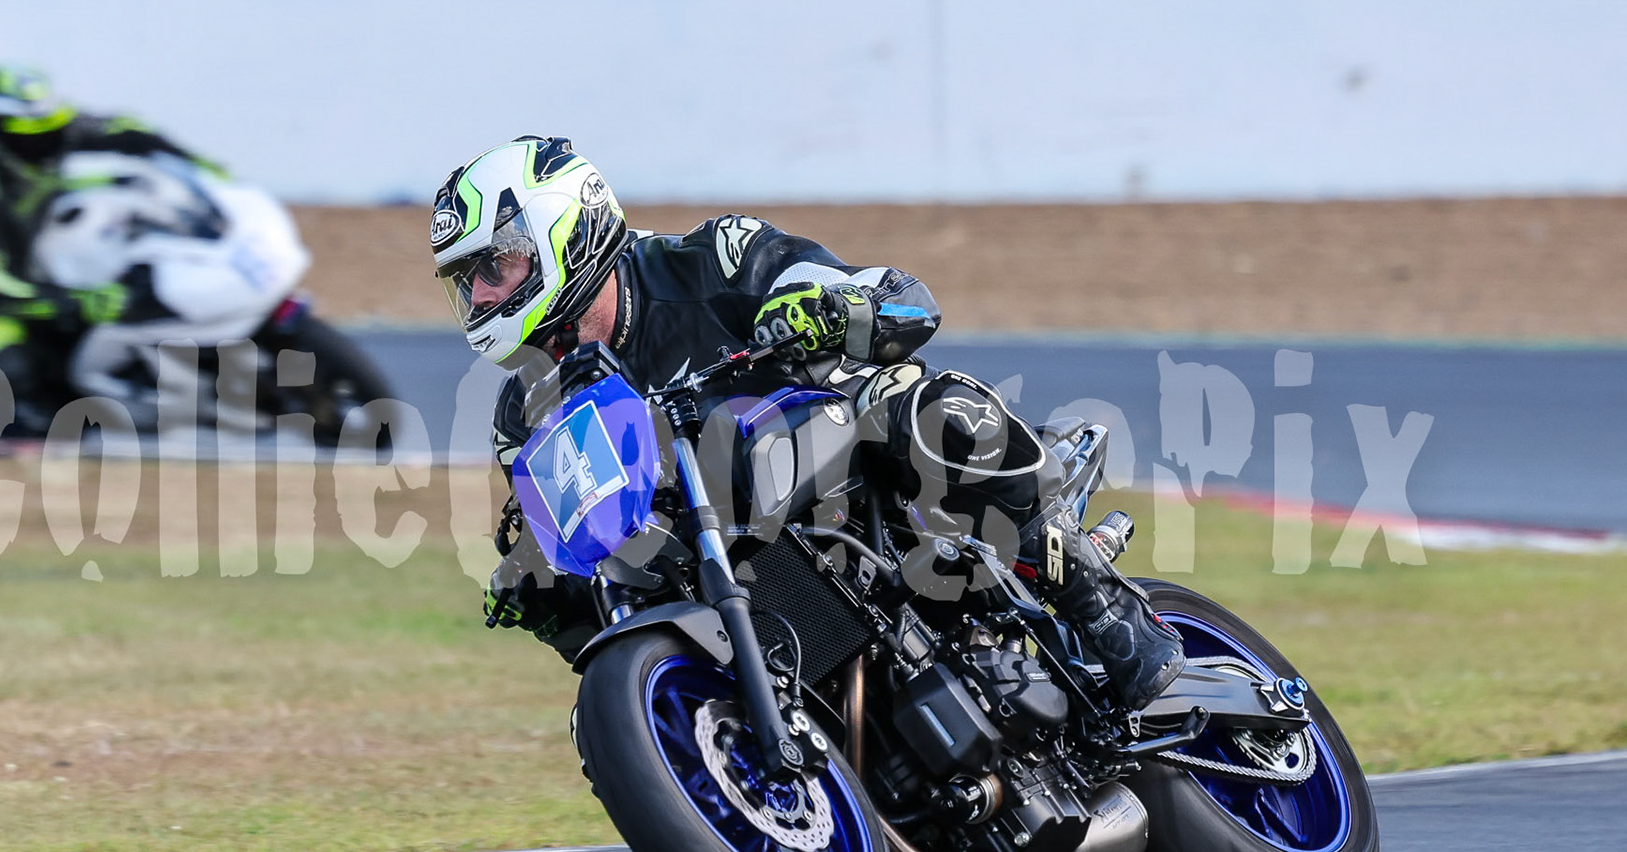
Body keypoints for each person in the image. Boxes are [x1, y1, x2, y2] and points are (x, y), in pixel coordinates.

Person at [434, 135, 1183, 711]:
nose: (481, 296)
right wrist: (539, 587)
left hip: (843, 475)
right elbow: (595, 574)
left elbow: (903, 300)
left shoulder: (709, 260)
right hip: (732, 575)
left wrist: (826, 305)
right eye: (465, 282)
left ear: (566, 232)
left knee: (922, 405)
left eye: (494, 266)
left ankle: (1098, 601)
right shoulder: (524, 416)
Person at [0, 64, 218, 422]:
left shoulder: (46, 130)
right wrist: (79, 301)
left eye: (51, 128)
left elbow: (122, 129)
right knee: (16, 375)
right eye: (28, 137)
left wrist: (200, 166)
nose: (45, 144)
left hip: (29, 244)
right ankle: (27, 431)